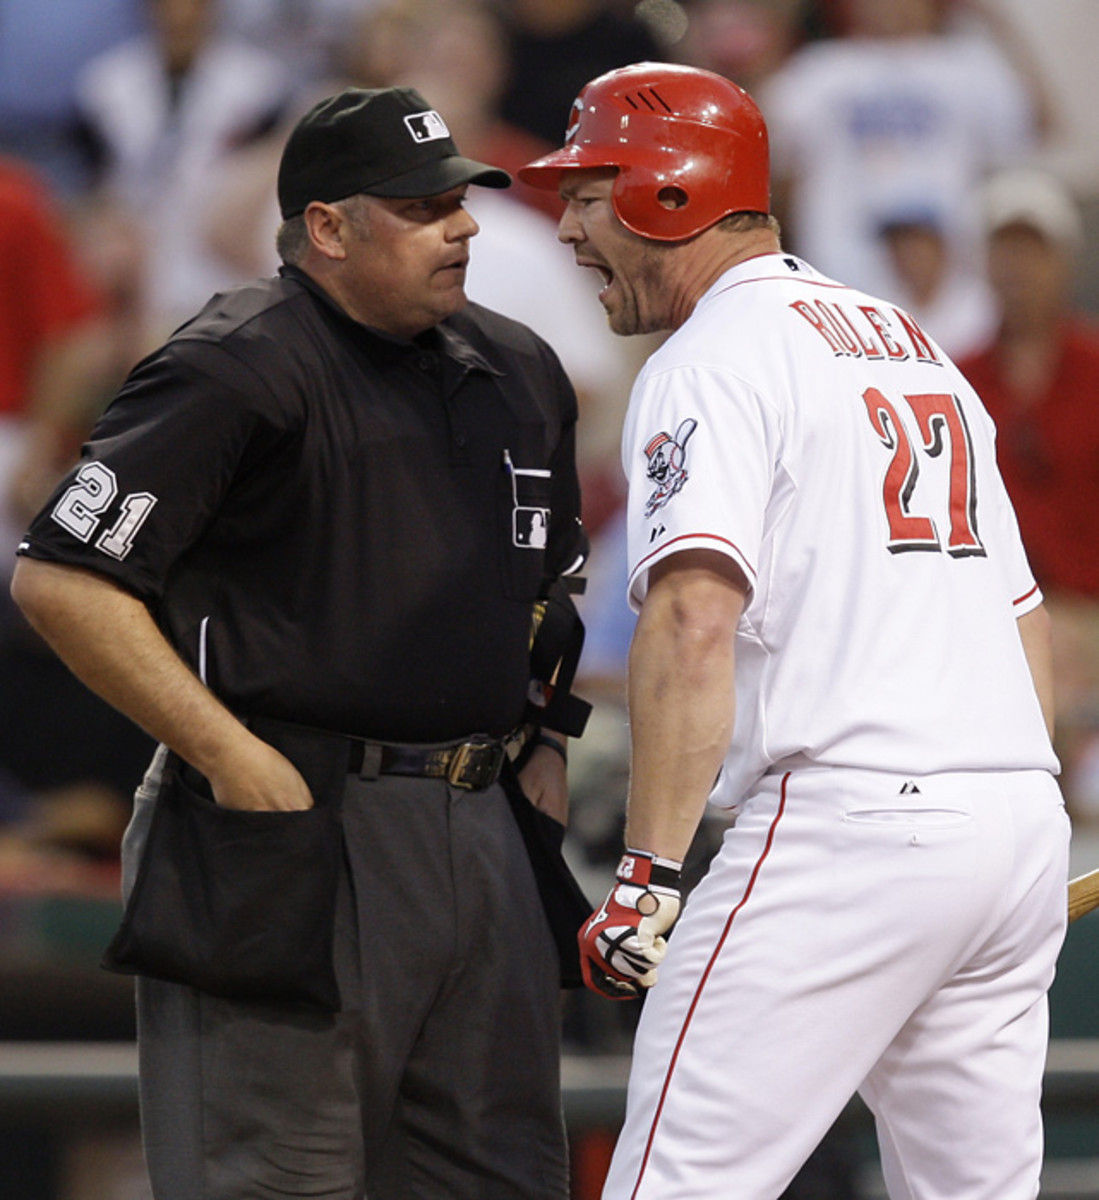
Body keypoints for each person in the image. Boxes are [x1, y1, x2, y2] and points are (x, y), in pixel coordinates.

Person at [11, 85, 592, 1200]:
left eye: (459, 201)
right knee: (282, 1179)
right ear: (329, 227)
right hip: (292, 822)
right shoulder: (236, 362)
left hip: (479, 825)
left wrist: (545, 744)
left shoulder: (518, 369)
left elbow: (547, 586)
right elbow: (61, 578)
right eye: (423, 207)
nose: (463, 226)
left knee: (499, 1175)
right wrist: (231, 757)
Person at [519, 62, 1069, 1199]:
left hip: (847, 826)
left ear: (666, 192)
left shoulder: (712, 354)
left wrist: (650, 876)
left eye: (587, 191)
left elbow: (690, 620)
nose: (567, 224)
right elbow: (1022, 619)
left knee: (671, 1186)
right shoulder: (907, 342)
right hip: (1010, 819)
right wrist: (1019, 813)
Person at [957, 167, 1099, 823]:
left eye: (1031, 249)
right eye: (1003, 249)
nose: (1016, 268)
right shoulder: (955, 376)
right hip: (988, 612)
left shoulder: (1091, 369)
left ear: (1061, 259)